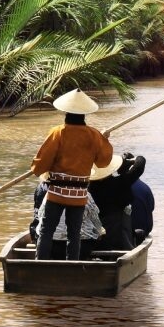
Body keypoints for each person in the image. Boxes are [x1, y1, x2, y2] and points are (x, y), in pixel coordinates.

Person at [30, 87, 113, 261]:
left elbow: (41, 162)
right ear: (84, 114)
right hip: (79, 194)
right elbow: (103, 162)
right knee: (73, 234)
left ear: (66, 112)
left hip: (57, 193)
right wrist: (104, 139)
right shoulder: (93, 135)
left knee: (46, 230)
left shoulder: (58, 132)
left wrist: (35, 169)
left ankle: (40, 264)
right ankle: (72, 266)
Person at [30, 180, 105, 260]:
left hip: (52, 246)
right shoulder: (84, 195)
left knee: (43, 234)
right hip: (81, 246)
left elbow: (40, 217)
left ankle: (42, 262)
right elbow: (96, 222)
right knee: (98, 235)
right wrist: (101, 232)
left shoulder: (50, 194)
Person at [90, 151, 146, 250]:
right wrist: (136, 159)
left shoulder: (89, 187)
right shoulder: (118, 183)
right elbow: (139, 167)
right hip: (117, 233)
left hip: (95, 234)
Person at [131, 173, 155, 243]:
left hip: (128, 230)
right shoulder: (146, 188)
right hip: (145, 228)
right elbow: (152, 207)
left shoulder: (122, 187)